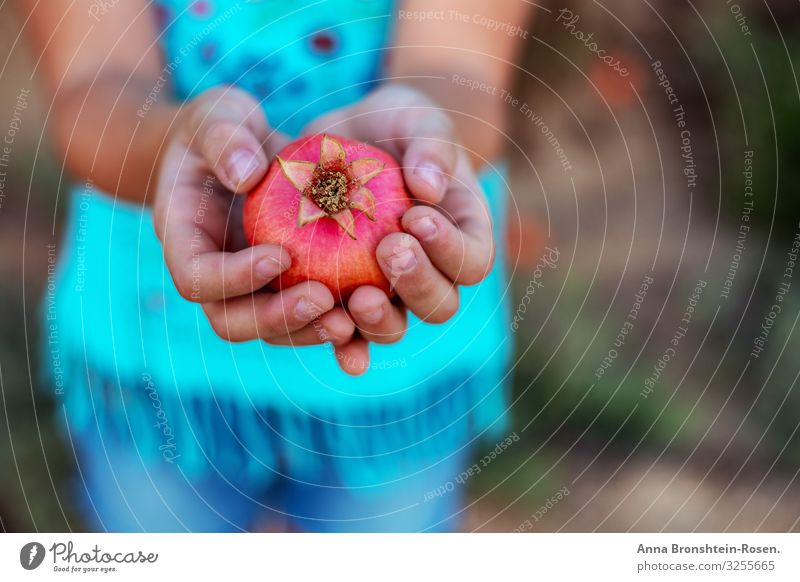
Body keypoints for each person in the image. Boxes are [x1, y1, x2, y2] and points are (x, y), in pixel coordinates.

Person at [19, 0, 530, 532]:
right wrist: (176, 141)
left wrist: (431, 134)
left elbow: (462, 68)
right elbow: (94, 83)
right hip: (150, 354)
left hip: (401, 377)